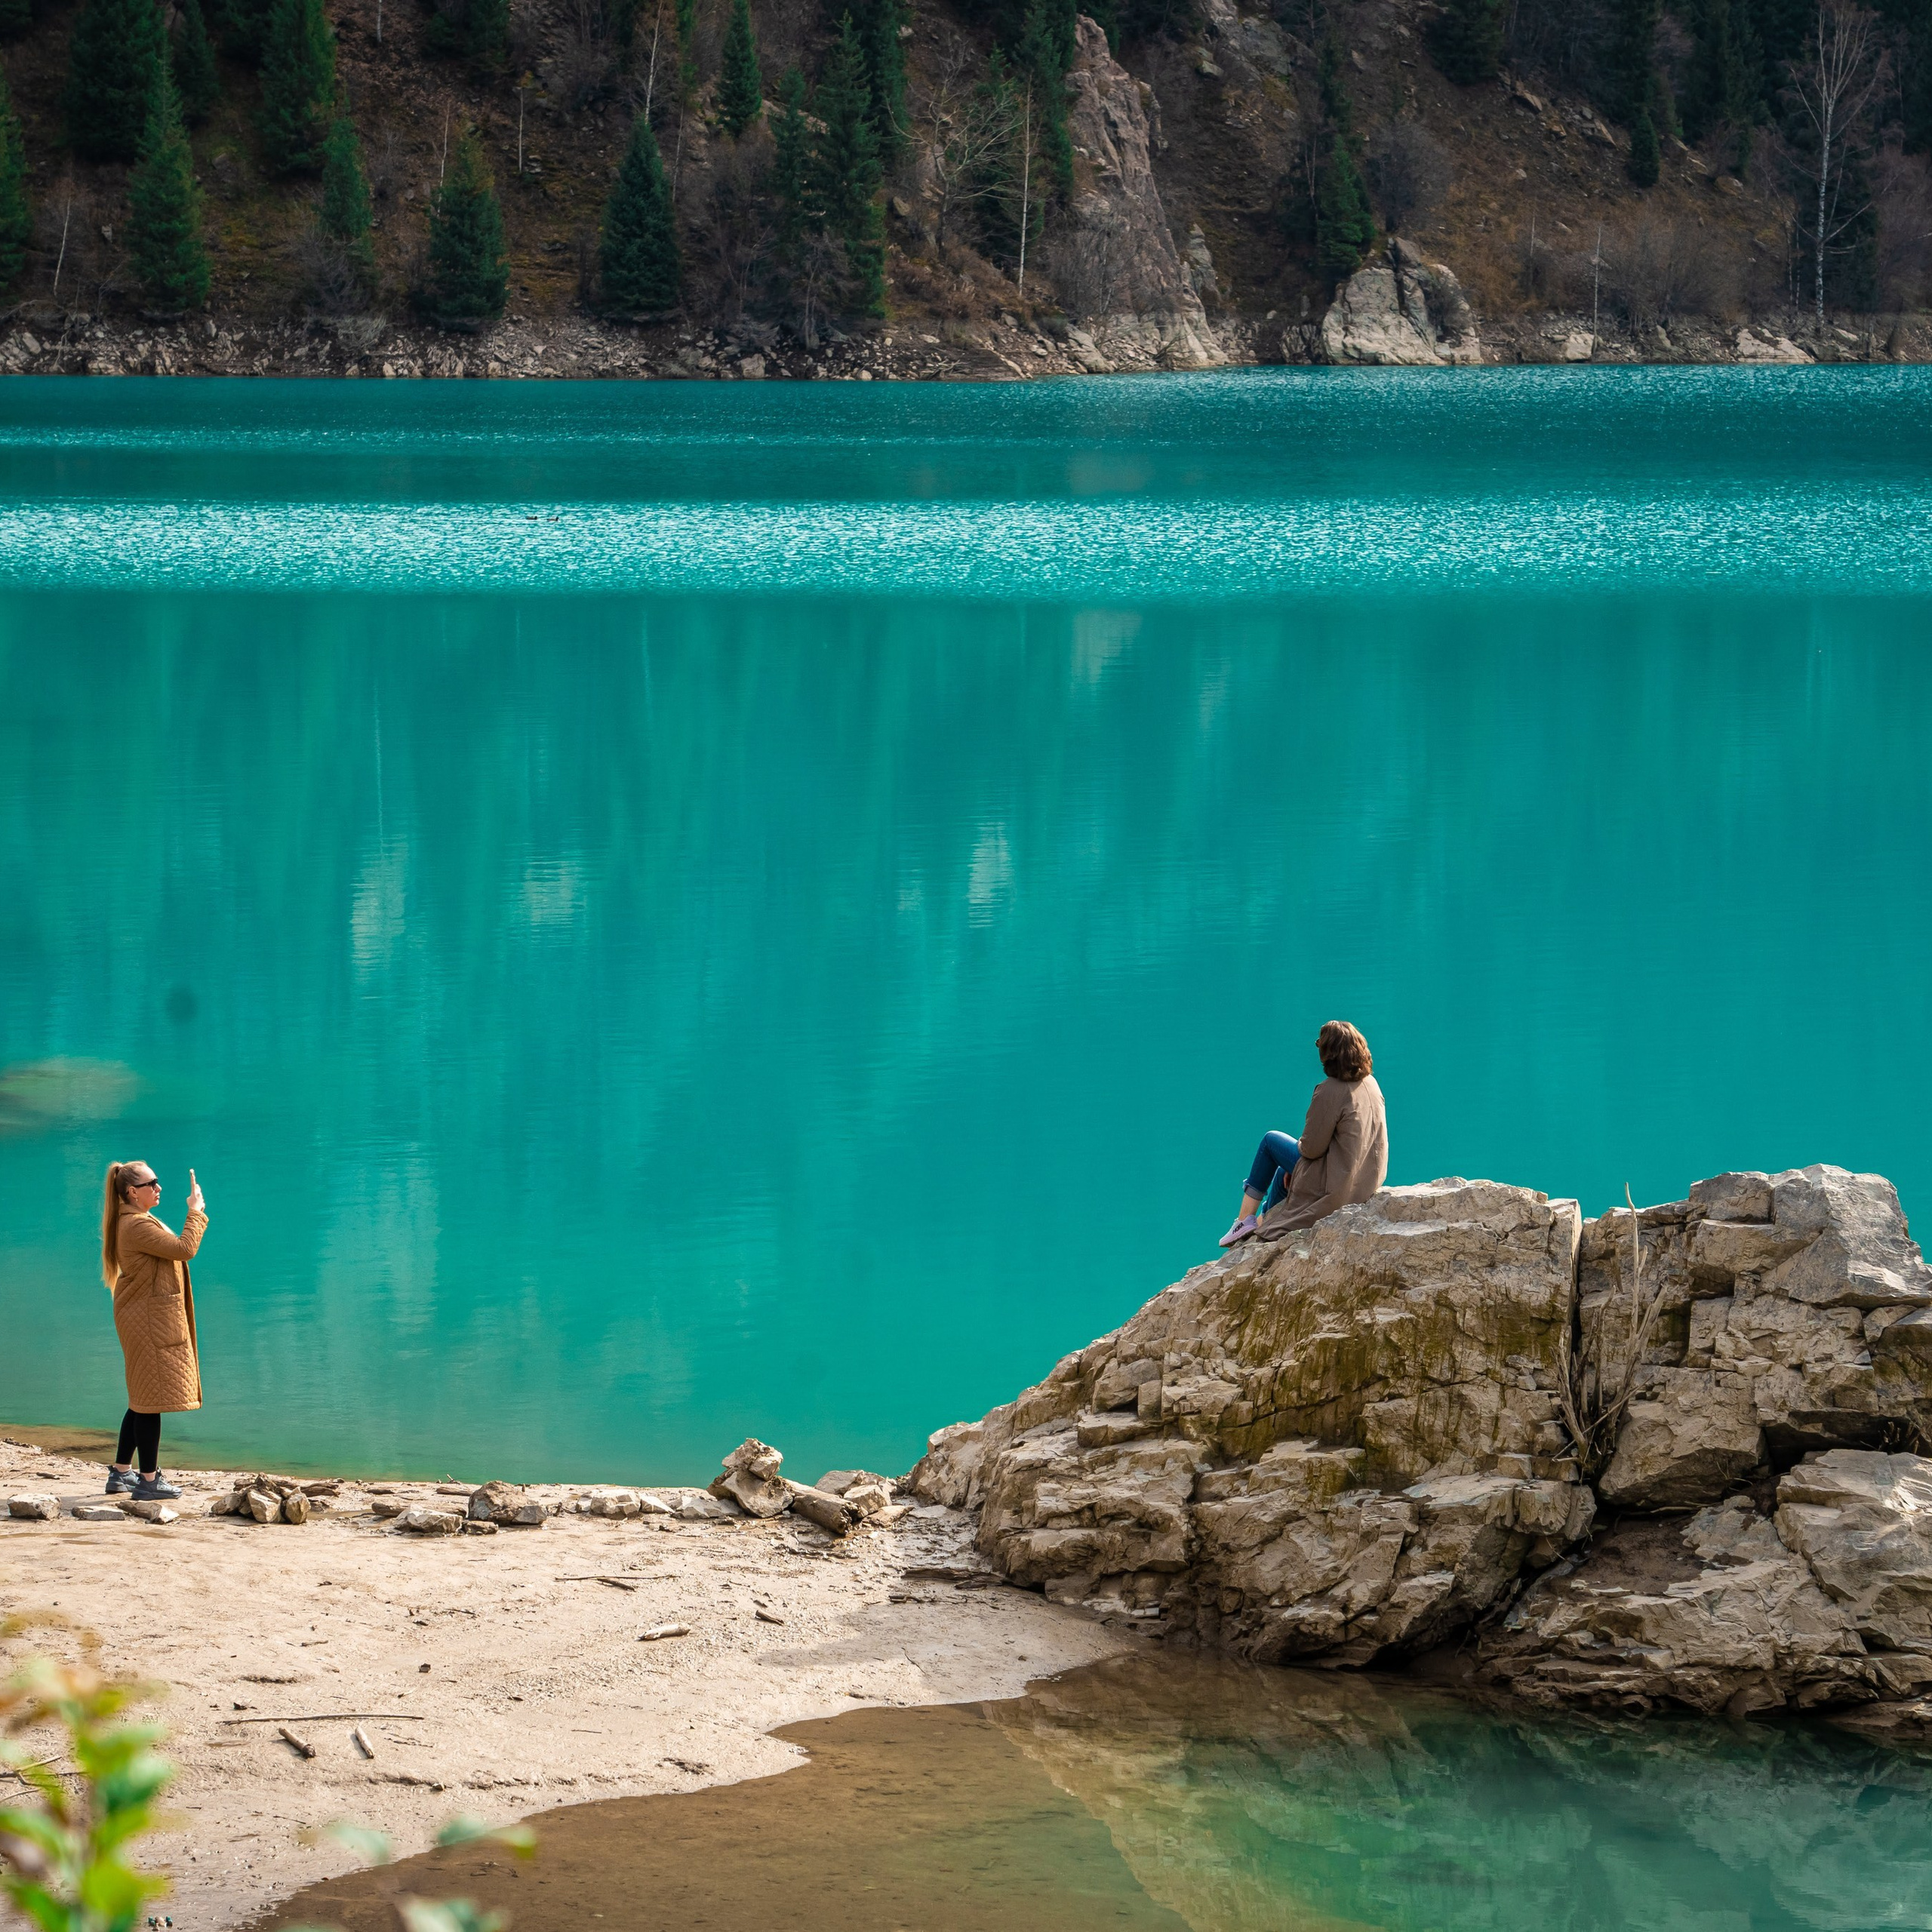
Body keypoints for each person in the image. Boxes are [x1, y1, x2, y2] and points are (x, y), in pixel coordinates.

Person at [1219, 1021, 1387, 1247]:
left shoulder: (1329, 1090)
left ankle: (1243, 1220)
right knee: (1284, 1172)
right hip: (1365, 1182)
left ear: (1329, 1053)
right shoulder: (1371, 1084)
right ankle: (1263, 1223)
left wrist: (1300, 1149)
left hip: (1336, 1187)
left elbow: (1311, 1149)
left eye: (1320, 1045)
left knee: (1270, 1141)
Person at [100, 1160, 209, 1501]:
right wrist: (195, 1212)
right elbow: (184, 1249)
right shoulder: (135, 1225)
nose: (159, 1187)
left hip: (144, 1317)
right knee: (150, 1402)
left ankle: (121, 1472)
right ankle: (149, 1481)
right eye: (152, 1183)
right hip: (148, 1321)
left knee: (142, 1397)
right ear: (133, 1192)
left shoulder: (136, 1220)